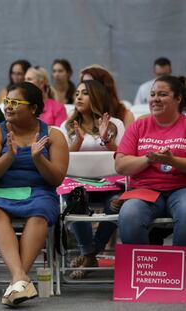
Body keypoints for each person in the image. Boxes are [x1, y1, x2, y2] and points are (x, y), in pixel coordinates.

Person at [0, 82, 68, 306]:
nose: (8, 107)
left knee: (39, 213)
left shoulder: (54, 135)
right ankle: (20, 278)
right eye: (7, 101)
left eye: (15, 103)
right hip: (1, 191)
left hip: (39, 192)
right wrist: (9, 156)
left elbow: (57, 179)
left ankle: (18, 281)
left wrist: (39, 159)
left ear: (33, 108)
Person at [60, 80, 125, 278]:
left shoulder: (116, 124)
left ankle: (89, 254)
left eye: (85, 93)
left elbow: (123, 157)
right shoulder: (67, 126)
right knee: (75, 200)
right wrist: (77, 143)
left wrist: (106, 140)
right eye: (77, 93)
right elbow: (64, 162)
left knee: (117, 205)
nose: (78, 96)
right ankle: (90, 253)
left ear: (96, 97)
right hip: (78, 187)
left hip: (111, 185)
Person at [116, 75, 186, 246]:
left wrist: (171, 161)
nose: (155, 99)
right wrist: (148, 159)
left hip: (181, 188)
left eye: (162, 94)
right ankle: (146, 268)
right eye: (153, 94)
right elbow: (120, 165)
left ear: (178, 98)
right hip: (145, 189)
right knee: (129, 215)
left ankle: (179, 268)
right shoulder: (139, 126)